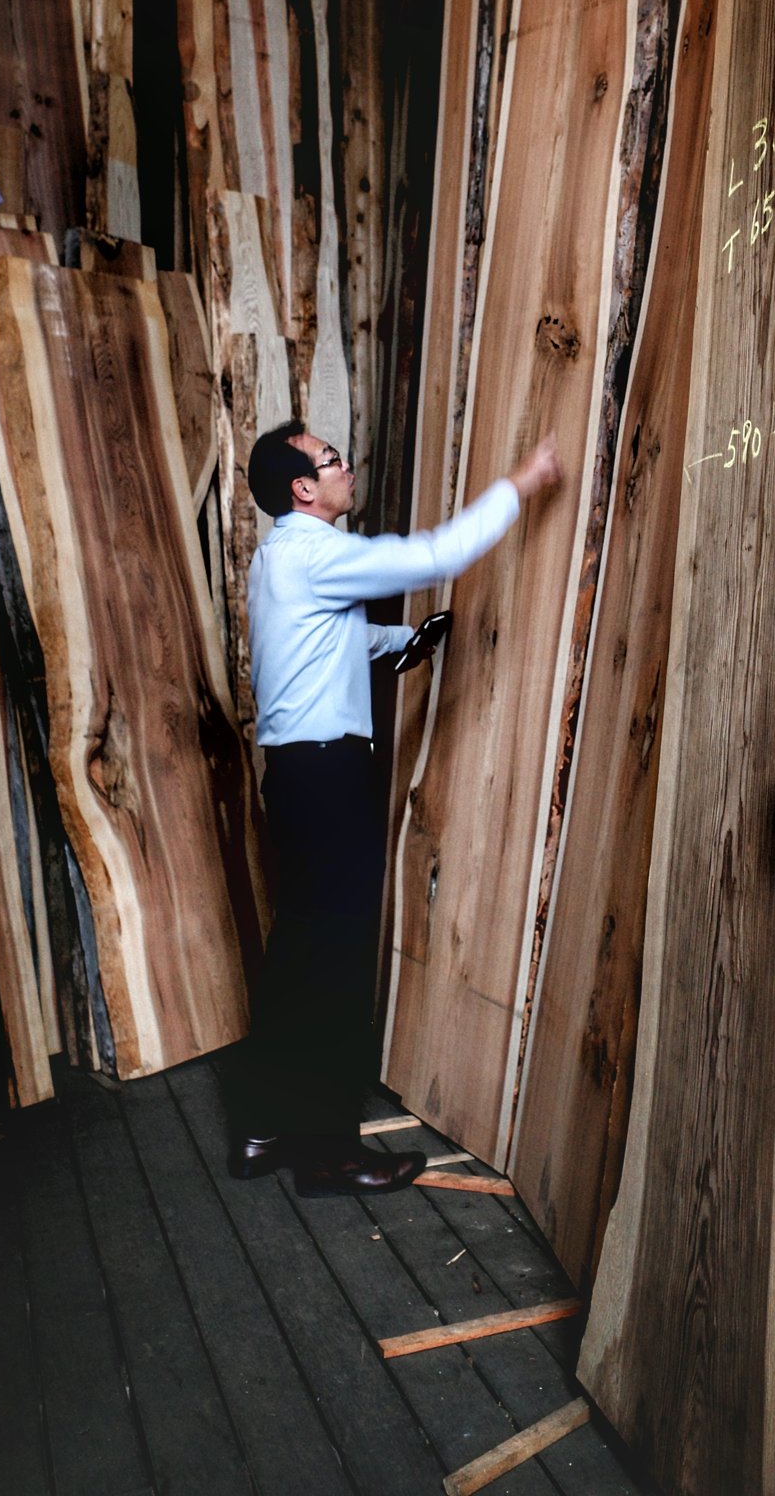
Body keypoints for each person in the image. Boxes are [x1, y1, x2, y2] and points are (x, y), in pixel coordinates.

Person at [228, 419, 562, 1195]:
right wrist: (523, 481)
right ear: (302, 489)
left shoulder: (281, 559)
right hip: (328, 779)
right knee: (337, 963)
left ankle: (261, 1128)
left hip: (297, 776)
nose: (348, 468)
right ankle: (330, 1156)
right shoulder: (316, 553)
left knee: (299, 955)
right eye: (331, 461)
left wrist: (407, 642)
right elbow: (434, 554)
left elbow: (319, 643)